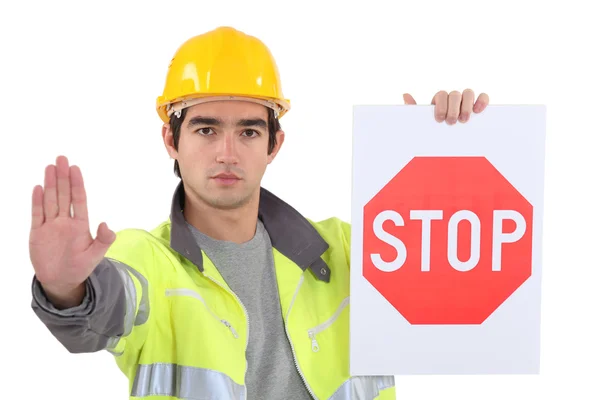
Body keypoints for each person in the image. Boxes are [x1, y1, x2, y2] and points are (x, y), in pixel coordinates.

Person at [29, 26, 489, 400]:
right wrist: (66, 287)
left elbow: (455, 274)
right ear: (171, 141)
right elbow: (106, 308)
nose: (227, 153)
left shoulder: (348, 250)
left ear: (275, 144)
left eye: (248, 132)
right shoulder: (149, 259)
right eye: (206, 129)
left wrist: (442, 156)